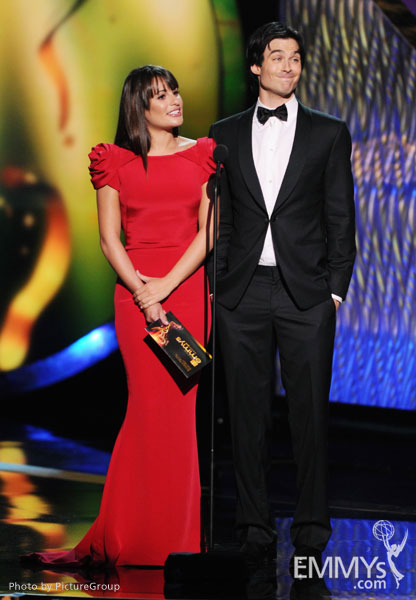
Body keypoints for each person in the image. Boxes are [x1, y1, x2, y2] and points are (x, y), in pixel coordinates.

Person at [23, 65, 215, 568]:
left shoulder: (204, 157)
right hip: (136, 301)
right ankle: (129, 535)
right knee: (145, 412)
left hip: (187, 296)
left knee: (180, 416)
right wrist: (144, 293)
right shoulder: (116, 163)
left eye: (174, 90)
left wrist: (166, 289)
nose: (174, 100)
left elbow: (208, 232)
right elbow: (110, 239)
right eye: (160, 95)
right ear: (139, 108)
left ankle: (175, 540)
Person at [209, 22, 356, 569]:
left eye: (296, 57)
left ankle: (313, 532)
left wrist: (334, 291)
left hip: (307, 295)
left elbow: (341, 215)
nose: (289, 66)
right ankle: (253, 527)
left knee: (309, 416)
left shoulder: (328, 132)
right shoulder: (221, 133)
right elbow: (219, 219)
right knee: (246, 417)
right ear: (255, 66)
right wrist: (220, 286)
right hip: (242, 293)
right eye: (277, 57)